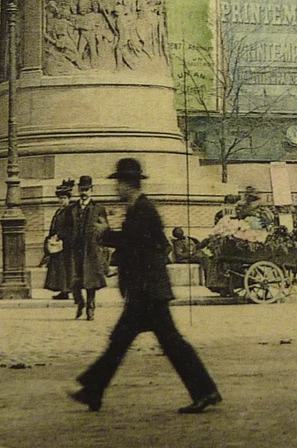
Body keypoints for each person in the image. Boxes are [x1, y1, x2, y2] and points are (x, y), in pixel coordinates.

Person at [69, 158, 221, 414]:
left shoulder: (143, 210)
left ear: (127, 184)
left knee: (146, 343)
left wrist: (105, 234)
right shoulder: (138, 209)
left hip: (148, 292)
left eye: (119, 183)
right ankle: (93, 390)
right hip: (147, 291)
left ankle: (205, 391)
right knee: (128, 341)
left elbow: (135, 242)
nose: (116, 188)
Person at [66, 182, 109, 321]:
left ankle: (90, 307)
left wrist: (98, 239)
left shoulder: (98, 209)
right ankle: (80, 302)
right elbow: (66, 227)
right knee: (73, 280)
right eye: (82, 190)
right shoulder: (71, 208)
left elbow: (105, 228)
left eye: (86, 190)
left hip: (90, 250)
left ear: (91, 190)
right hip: (74, 250)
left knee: (90, 281)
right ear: (78, 190)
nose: (84, 192)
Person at [43, 179, 76, 299]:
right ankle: (63, 290)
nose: (62, 200)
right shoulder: (59, 211)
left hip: (65, 244)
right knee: (59, 268)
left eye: (64, 198)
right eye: (60, 198)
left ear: (69, 199)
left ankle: (66, 290)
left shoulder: (70, 211)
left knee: (65, 268)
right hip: (57, 244)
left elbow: (70, 227)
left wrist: (60, 235)